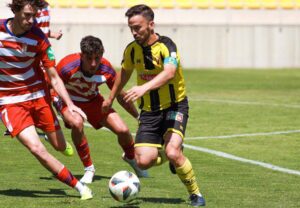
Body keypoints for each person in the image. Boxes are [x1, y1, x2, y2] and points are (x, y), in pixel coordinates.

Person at [102, 4, 205, 206]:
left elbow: (169, 73)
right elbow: (123, 74)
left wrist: (143, 88)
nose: (134, 32)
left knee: (174, 152)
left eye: (138, 27)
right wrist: (110, 98)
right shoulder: (131, 50)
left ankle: (195, 194)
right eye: (131, 27)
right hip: (149, 112)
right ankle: (170, 155)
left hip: (175, 106)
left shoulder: (167, 45)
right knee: (142, 161)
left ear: (151, 25)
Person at [0, 0, 92, 200]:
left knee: (59, 146)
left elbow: (54, 77)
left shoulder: (39, 38)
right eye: (26, 15)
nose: (31, 20)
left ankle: (59, 143)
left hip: (38, 97)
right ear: (15, 11)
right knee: (36, 148)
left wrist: (70, 104)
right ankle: (79, 188)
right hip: (10, 101)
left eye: (34, 16)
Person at [54, 35, 149, 184]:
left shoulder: (106, 69)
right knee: (77, 123)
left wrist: (138, 117)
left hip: (93, 101)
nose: (93, 64)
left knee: (123, 130)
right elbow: (51, 87)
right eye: (89, 58)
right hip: (68, 101)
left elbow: (120, 95)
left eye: (97, 58)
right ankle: (89, 169)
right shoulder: (67, 66)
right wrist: (58, 108)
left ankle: (131, 159)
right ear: (81, 55)